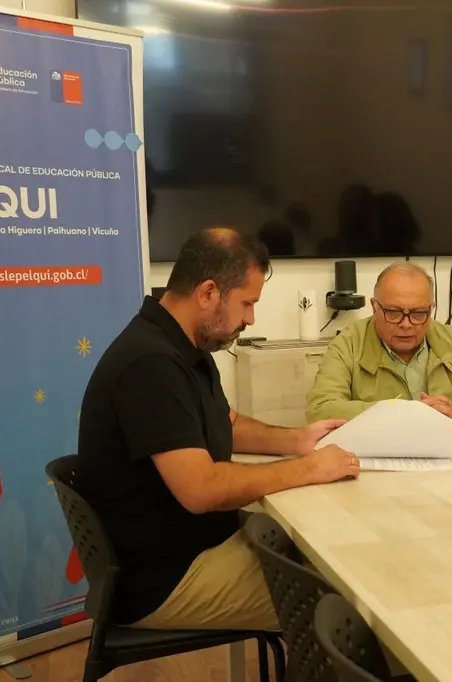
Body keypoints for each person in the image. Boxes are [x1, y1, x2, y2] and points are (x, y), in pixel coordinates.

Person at [76, 227, 359, 631]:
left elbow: (226, 423)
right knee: (349, 602)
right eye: (247, 303)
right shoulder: (151, 364)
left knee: (330, 553)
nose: (250, 318)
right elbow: (202, 489)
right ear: (208, 292)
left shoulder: (186, 344)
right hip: (165, 579)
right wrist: (309, 469)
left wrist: (297, 440)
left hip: (193, 546)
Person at [306, 262, 452, 425]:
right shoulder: (348, 343)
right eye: (393, 313)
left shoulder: (450, 339)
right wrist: (398, 412)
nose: (406, 324)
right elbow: (320, 409)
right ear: (374, 307)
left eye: (418, 313)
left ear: (431, 308)